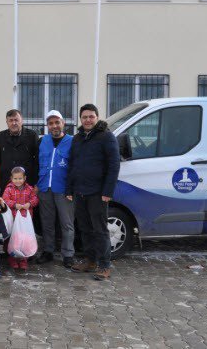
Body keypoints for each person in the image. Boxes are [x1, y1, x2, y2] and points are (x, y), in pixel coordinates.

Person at [67, 104, 120, 281]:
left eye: (91, 116)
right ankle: (90, 260)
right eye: (84, 117)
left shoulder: (106, 137)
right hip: (80, 191)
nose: (88, 120)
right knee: (85, 228)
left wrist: (108, 191)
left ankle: (104, 265)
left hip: (98, 192)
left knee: (100, 229)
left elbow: (114, 165)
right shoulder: (77, 139)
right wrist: (70, 189)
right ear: (80, 119)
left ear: (97, 117)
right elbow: (72, 165)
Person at [35, 110, 75, 268]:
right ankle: (48, 251)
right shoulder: (43, 141)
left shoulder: (72, 141)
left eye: (57, 122)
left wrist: (72, 189)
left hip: (64, 188)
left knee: (67, 223)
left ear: (63, 123)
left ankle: (68, 254)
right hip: (45, 187)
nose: (54, 126)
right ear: (47, 126)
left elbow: (75, 167)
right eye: (50, 123)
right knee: (47, 222)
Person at [2, 167, 39, 271]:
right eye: (15, 178)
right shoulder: (9, 189)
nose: (18, 181)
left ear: (25, 178)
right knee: (13, 239)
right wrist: (14, 205)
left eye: (20, 178)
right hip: (13, 219)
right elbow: (5, 200)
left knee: (25, 239)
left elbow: (35, 199)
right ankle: (12, 257)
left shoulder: (29, 189)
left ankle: (23, 259)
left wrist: (29, 204)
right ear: (11, 178)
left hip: (25, 220)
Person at [0, 109, 39, 191]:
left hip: (27, 181)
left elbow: (37, 159)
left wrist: (36, 182)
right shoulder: (1, 136)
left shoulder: (32, 135)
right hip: (7, 181)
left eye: (16, 120)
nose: (14, 123)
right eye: (10, 120)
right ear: (7, 122)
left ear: (22, 121)